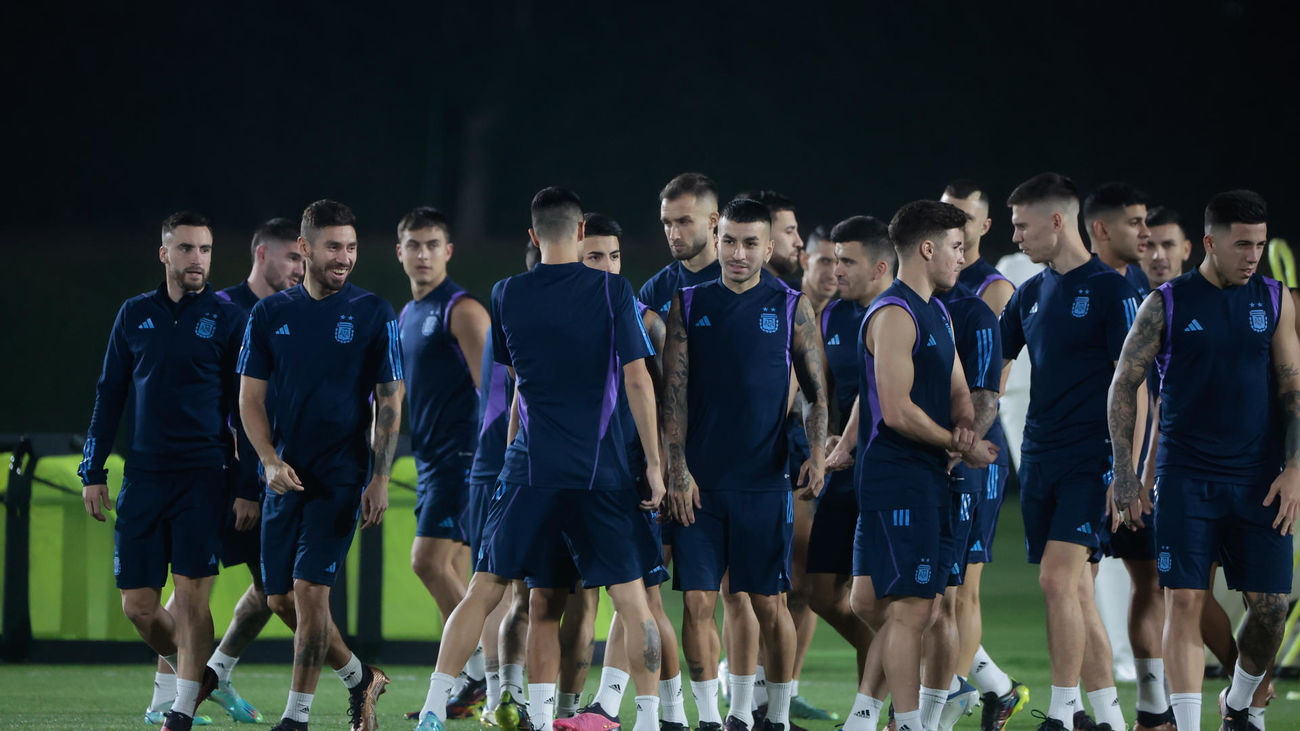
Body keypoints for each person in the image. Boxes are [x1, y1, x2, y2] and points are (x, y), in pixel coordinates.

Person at [415, 188, 666, 731]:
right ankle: (647, 719)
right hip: (600, 472)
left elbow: (516, 391)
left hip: (529, 470)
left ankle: (433, 711)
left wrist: (510, 458)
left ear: (532, 236)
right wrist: (653, 463)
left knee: (486, 590)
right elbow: (638, 379)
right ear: (580, 233)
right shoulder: (611, 291)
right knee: (633, 603)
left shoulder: (506, 294)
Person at [1108, 189, 1300, 731]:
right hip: (1186, 477)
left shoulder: (1276, 300)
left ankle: (1238, 704)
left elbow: (1292, 390)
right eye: (1241, 244)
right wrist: (1126, 473)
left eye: (1260, 245)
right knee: (1185, 600)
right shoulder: (1166, 302)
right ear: (1210, 242)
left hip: (1260, 480)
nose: (1252, 256)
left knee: (1270, 611)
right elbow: (1125, 384)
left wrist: (1295, 469)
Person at [661, 196, 829, 731]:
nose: (737, 252)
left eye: (750, 242)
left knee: (768, 603)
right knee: (697, 604)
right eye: (729, 240)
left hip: (764, 484)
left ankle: (773, 718)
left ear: (769, 246)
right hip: (700, 487)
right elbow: (674, 398)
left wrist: (818, 454)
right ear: (718, 236)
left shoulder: (789, 305)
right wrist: (677, 470)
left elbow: (818, 396)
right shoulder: (687, 302)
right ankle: (713, 718)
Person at [238, 199, 402, 731]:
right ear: (304, 249)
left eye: (352, 247)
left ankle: (296, 718)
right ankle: (360, 678)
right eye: (334, 246)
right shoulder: (268, 315)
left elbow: (390, 400)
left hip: (341, 476)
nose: (345, 257)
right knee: (280, 598)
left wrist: (379, 477)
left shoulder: (374, 312)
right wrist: (266, 460)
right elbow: (249, 399)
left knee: (310, 595)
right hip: (285, 479)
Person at [79, 211, 246, 731]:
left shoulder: (225, 318)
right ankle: (201, 679)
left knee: (194, 598)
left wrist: (245, 484)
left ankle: (182, 706)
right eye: (187, 248)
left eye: (205, 249)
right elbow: (110, 395)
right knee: (139, 607)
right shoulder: (134, 315)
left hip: (204, 476)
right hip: (144, 477)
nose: (198, 258)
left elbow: (245, 409)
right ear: (165, 254)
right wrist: (93, 469)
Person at [841, 201, 995, 731]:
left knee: (872, 600)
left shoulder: (940, 311)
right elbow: (897, 408)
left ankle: (863, 718)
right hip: (899, 476)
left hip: (926, 476)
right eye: (955, 247)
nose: (963, 257)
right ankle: (908, 723)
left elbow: (956, 386)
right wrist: (959, 444)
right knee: (913, 611)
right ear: (927, 249)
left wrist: (964, 425)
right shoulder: (893, 314)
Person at [1000, 173, 1141, 731]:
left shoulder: (1112, 290)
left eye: (1021, 225)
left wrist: (1126, 468)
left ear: (1057, 221)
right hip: (1039, 457)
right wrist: (965, 430)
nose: (1015, 236)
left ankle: (1062, 713)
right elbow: (996, 367)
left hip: (1091, 459)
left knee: (1057, 581)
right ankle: (1105, 717)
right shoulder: (1031, 293)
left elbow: (1134, 384)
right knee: (1077, 591)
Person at [556, 212, 688, 731]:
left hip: (632, 479)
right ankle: (630, 710)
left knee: (645, 600)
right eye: (594, 257)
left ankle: (658, 714)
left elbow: (668, 402)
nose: (607, 268)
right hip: (580, 476)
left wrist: (665, 468)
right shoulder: (562, 315)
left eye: (613, 257)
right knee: (619, 599)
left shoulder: (644, 318)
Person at [934, 181, 1026, 730]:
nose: (954, 225)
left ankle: (947, 702)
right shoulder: (932, 280)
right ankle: (991, 687)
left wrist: (962, 447)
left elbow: (993, 383)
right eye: (946, 214)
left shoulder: (994, 290)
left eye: (965, 217)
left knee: (960, 591)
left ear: (985, 227)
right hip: (933, 449)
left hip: (971, 453)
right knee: (927, 589)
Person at [396, 206, 493, 715]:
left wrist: (493, 459)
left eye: (433, 244)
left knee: (427, 561)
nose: (423, 254)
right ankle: (468, 685)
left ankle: (481, 672)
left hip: (464, 458)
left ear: (448, 251)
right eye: (414, 244)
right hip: (432, 460)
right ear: (400, 253)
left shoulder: (463, 309)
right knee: (454, 574)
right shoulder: (407, 315)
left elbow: (495, 392)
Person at [1082, 182, 1172, 730]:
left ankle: (1153, 707)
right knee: (1074, 585)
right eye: (1137, 224)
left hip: (1137, 464)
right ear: (1101, 228)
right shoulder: (1084, 286)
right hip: (1089, 462)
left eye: (1150, 225)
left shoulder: (1145, 289)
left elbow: (1145, 392)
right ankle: (1093, 709)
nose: (1147, 236)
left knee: (1155, 583)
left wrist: (1135, 473)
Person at [809, 216, 889, 688]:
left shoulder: (903, 310)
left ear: (880, 267)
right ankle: (905, 671)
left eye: (847, 261)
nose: (835, 270)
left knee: (876, 599)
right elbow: (825, 390)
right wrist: (827, 438)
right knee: (821, 593)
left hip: (887, 469)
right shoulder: (832, 315)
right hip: (843, 467)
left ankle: (878, 708)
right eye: (833, 259)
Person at [640, 173, 722, 314]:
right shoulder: (654, 290)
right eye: (667, 223)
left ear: (713, 220)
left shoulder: (743, 281)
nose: (673, 235)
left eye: (684, 222)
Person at [1141, 206, 1192, 288]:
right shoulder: (1118, 296)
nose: (1158, 256)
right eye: (1148, 246)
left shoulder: (1208, 299)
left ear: (1186, 250)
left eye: (1167, 245)